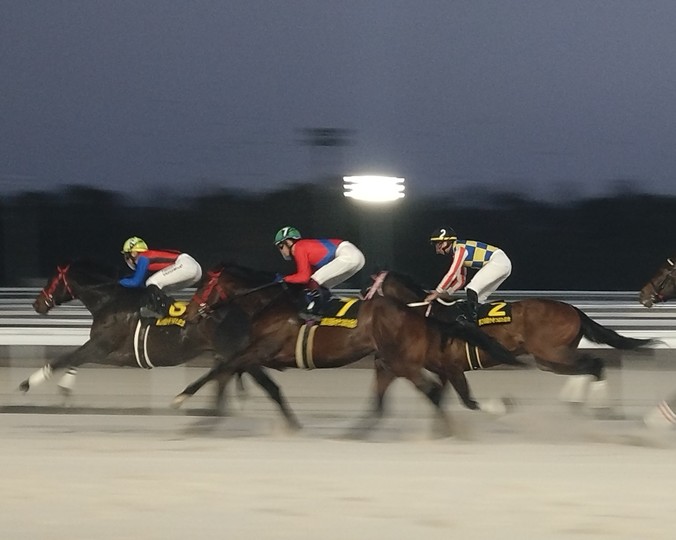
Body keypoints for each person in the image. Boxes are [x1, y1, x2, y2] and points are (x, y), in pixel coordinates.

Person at [273, 226, 366, 315]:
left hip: (348, 254)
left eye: (280, 246)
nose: (281, 251)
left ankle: (315, 312)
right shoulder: (304, 247)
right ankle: (325, 312)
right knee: (321, 286)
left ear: (288, 242)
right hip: (356, 258)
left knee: (314, 282)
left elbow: (303, 277)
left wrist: (283, 279)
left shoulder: (299, 247)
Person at [425, 227, 512, 321]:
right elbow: (461, 281)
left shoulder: (459, 250)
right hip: (503, 263)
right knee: (479, 299)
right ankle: (482, 323)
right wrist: (447, 293)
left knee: (471, 288)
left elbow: (451, 273)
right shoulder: (458, 250)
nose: (437, 250)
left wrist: (437, 292)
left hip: (499, 261)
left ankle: (473, 321)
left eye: (438, 244)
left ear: (445, 243)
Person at [119, 236, 202, 317]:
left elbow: (135, 282)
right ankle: (178, 310)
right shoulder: (148, 257)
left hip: (186, 265)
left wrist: (118, 282)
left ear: (133, 253)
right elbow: (143, 284)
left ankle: (169, 311)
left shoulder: (143, 258)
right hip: (194, 269)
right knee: (158, 290)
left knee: (151, 282)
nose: (127, 260)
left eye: (127, 256)